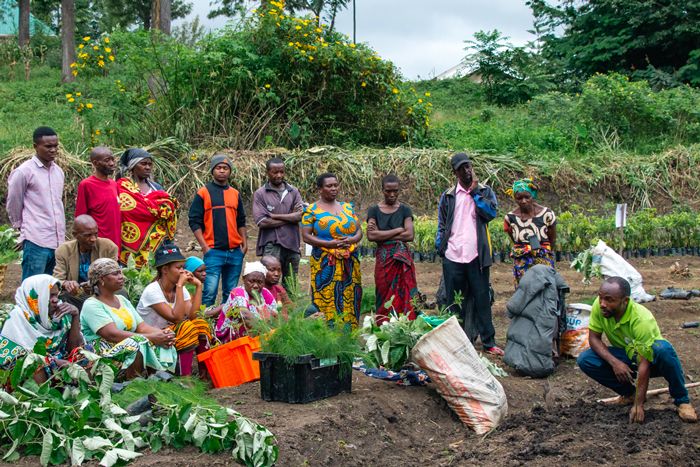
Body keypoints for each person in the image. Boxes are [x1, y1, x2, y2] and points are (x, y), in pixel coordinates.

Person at [577, 277, 697, 423]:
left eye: (609, 300)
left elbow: (644, 363)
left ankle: (682, 401)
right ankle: (629, 394)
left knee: (664, 350)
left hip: (654, 361)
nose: (602, 304)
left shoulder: (641, 319)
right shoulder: (600, 306)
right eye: (600, 297)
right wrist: (615, 363)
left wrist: (639, 405)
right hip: (628, 357)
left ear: (625, 301)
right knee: (586, 359)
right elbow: (594, 338)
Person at [435, 153, 503, 356]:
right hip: (453, 255)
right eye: (461, 168)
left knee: (482, 298)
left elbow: (490, 213)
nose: (466, 171)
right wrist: (442, 247)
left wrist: (474, 193)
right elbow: (441, 223)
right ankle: (455, 341)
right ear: (455, 172)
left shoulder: (484, 191)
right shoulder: (448, 196)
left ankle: (488, 342)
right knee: (454, 301)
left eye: (468, 167)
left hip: (476, 256)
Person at [80, 258, 177, 378]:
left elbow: (142, 327)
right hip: (103, 352)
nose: (121, 276)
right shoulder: (92, 304)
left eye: (120, 272)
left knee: (163, 340)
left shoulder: (122, 300)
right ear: (101, 279)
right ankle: (133, 384)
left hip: (127, 343)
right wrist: (152, 337)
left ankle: (157, 379)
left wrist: (163, 334)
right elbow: (112, 334)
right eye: (115, 274)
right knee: (136, 344)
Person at [136, 243, 211, 376]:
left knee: (201, 324)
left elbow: (194, 316)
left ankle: (204, 373)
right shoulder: (152, 290)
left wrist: (199, 287)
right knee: (186, 327)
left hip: (171, 334)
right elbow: (176, 317)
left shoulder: (179, 289)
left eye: (183, 267)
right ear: (165, 270)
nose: (183, 271)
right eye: (179, 268)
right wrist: (180, 286)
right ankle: (185, 377)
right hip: (153, 336)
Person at [301, 173, 363, 327]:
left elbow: (359, 230)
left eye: (335, 185)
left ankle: (349, 334)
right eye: (329, 186)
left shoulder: (347, 207)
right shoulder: (311, 210)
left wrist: (352, 240)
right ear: (320, 189)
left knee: (351, 295)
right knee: (326, 298)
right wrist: (331, 244)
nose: (334, 188)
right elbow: (306, 236)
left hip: (350, 260)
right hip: (325, 262)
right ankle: (328, 334)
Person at [6, 127, 65, 280]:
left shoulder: (58, 171)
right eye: (48, 146)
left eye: (55, 146)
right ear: (35, 146)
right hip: (36, 239)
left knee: (52, 287)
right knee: (32, 287)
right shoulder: (24, 172)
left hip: (57, 241)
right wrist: (21, 230)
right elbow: (13, 203)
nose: (53, 150)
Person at [189, 154, 247, 307]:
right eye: (218, 168)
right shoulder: (203, 192)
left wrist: (244, 244)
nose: (222, 171)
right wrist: (204, 247)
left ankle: (227, 326)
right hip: (213, 251)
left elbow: (241, 220)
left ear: (230, 171)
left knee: (231, 293)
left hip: (235, 252)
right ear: (212, 171)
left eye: (225, 168)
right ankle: (205, 326)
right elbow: (194, 221)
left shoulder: (235, 193)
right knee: (209, 292)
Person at [0, 275, 82, 383]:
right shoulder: (17, 317)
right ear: (36, 297)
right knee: (34, 365)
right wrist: (55, 362)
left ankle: (82, 391)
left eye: (57, 295)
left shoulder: (59, 314)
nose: (56, 300)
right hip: (28, 376)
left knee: (85, 354)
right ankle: (43, 397)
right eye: (51, 295)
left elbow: (74, 349)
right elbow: (15, 358)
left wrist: (75, 315)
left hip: (60, 367)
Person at [366, 174, 418, 325]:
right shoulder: (374, 210)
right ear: (382, 190)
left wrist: (382, 235)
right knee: (383, 293)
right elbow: (371, 235)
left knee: (404, 292)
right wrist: (397, 230)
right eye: (388, 191)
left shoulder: (405, 210)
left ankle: (405, 327)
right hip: (383, 260)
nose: (392, 194)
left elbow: (409, 234)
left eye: (395, 191)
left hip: (401, 258)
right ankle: (383, 329)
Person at [117, 148, 178, 268]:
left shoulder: (157, 188)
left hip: (156, 243)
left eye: (150, 164)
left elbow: (168, 210)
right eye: (143, 164)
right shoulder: (122, 187)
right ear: (133, 166)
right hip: (130, 239)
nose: (147, 167)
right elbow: (121, 212)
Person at [253, 157, 304, 287]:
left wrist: (275, 216)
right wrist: (289, 217)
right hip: (271, 244)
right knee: (269, 281)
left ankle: (291, 307)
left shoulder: (293, 191)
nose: (279, 175)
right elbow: (262, 221)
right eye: (275, 172)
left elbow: (300, 216)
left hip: (292, 243)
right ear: (267, 172)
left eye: (281, 172)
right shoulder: (260, 193)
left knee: (291, 282)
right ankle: (268, 306)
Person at [53, 215, 119, 310]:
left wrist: (94, 285)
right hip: (77, 295)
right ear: (75, 235)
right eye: (88, 235)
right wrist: (66, 284)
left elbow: (114, 276)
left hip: (101, 293)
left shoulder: (108, 247)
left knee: (121, 292)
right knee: (64, 297)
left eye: (95, 234)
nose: (93, 239)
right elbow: (57, 279)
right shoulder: (64, 250)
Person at [504, 178, 557, 287]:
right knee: (524, 291)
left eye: (527, 197)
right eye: (519, 198)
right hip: (522, 261)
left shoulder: (547, 214)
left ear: (533, 196)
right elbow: (515, 240)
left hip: (543, 259)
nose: (523, 201)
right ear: (515, 198)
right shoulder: (511, 218)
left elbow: (552, 239)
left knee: (545, 289)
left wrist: (543, 252)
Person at [215, 261, 279, 343]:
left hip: (255, 335)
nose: (255, 286)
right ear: (244, 279)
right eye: (251, 281)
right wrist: (270, 334)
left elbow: (276, 316)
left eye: (260, 282)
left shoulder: (265, 293)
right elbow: (246, 317)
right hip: (227, 338)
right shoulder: (238, 292)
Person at [75, 147, 121, 250]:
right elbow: (80, 217)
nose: (112, 163)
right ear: (95, 163)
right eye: (107, 160)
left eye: (112, 159)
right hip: (96, 243)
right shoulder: (86, 185)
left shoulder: (114, 185)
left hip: (115, 242)